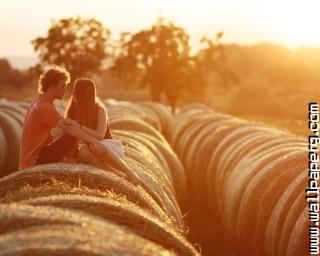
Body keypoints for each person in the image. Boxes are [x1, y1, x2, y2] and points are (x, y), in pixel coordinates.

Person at [19, 67, 106, 169]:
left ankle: (76, 158)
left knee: (72, 129)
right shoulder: (45, 107)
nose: (65, 90)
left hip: (30, 159)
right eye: (62, 86)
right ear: (52, 86)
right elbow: (69, 129)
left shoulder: (38, 102)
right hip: (34, 162)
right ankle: (98, 165)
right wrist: (94, 142)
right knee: (71, 134)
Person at [64, 78, 137, 180]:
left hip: (107, 148)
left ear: (83, 96)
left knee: (94, 146)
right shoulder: (73, 110)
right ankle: (116, 174)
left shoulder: (99, 110)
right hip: (91, 149)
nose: (73, 95)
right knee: (83, 152)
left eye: (76, 92)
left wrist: (79, 126)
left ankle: (131, 174)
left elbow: (100, 135)